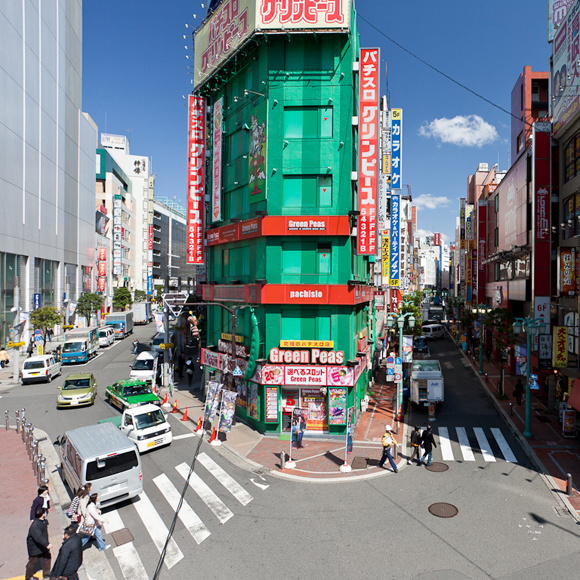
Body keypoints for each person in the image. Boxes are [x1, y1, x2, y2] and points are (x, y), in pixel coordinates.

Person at [25, 507, 52, 580]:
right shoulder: (35, 526)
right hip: (35, 548)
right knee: (32, 562)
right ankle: (28, 577)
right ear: (43, 514)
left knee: (47, 557)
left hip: (41, 546)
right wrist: (47, 544)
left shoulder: (41, 521)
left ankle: (46, 574)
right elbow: (38, 537)